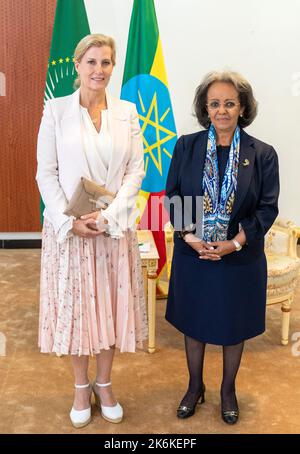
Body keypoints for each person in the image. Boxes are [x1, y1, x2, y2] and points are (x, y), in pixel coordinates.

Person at [36, 34, 147, 428]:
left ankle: (105, 383)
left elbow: (137, 169)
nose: (99, 70)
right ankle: (81, 387)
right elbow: (45, 172)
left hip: (112, 230)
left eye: (106, 62)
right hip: (71, 232)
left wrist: (109, 215)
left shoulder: (128, 112)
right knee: (80, 312)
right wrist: (70, 220)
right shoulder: (56, 110)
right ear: (78, 65)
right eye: (92, 62)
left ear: (113, 68)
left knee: (110, 312)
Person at [165, 71, 279, 424]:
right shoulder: (186, 145)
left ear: (242, 108)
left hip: (239, 258)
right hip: (193, 252)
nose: (222, 110)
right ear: (205, 108)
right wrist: (192, 238)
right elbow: (172, 198)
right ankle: (194, 386)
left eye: (230, 103)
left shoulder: (262, 154)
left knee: (233, 325)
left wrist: (234, 243)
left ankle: (228, 390)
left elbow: (267, 208)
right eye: (214, 103)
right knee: (194, 323)